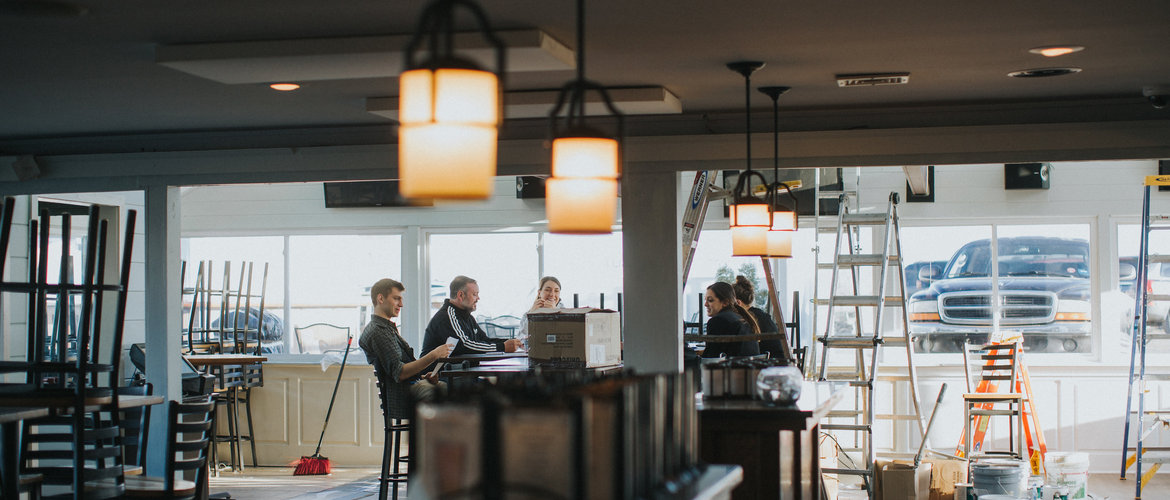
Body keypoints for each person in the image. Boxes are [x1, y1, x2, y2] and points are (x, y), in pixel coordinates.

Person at [358, 278, 450, 408]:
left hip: (410, 387)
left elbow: (399, 370)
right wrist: (433, 355)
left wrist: (423, 377)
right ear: (380, 299)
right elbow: (400, 373)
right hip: (403, 396)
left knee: (457, 390)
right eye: (396, 298)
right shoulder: (378, 331)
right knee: (456, 395)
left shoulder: (384, 328)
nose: (401, 304)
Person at [422, 275, 523, 359]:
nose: (478, 298)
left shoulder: (467, 317)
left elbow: (484, 341)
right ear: (461, 295)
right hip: (437, 376)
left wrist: (514, 342)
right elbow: (465, 345)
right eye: (475, 294)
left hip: (457, 373)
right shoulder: (447, 316)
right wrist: (502, 347)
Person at [732, 275, 788, 360]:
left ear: (738, 303)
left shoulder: (748, 320)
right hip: (779, 365)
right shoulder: (762, 315)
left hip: (769, 368)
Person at [702, 281, 761, 358]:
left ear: (725, 302)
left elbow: (711, 357)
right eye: (705, 300)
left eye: (710, 300)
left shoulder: (718, 321)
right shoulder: (741, 318)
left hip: (733, 368)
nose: (705, 304)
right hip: (750, 368)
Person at [517, 276, 563, 343]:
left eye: (556, 291)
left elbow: (565, 336)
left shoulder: (565, 312)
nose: (552, 294)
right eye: (547, 290)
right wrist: (531, 314)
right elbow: (521, 338)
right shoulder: (529, 313)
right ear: (539, 293)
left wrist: (554, 312)